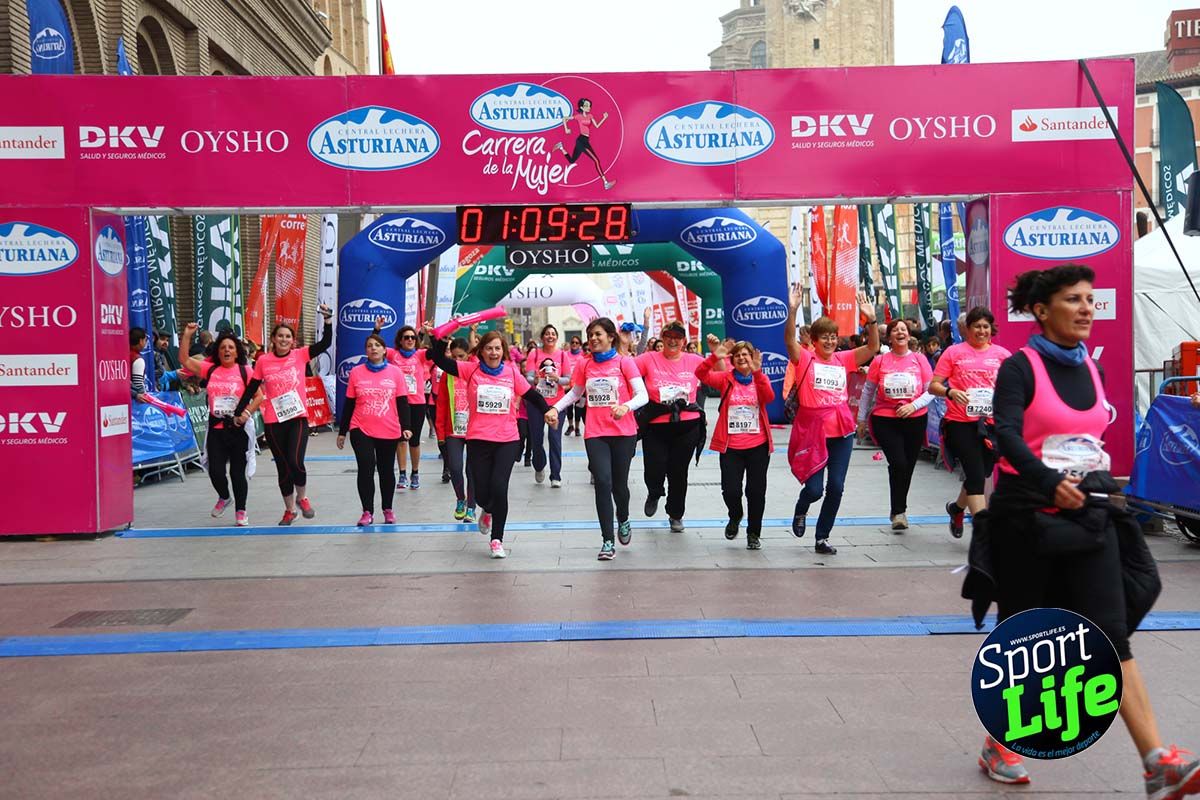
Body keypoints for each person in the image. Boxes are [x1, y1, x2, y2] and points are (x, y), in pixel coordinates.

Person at [975, 263, 1200, 796]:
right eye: (1073, 299)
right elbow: (1004, 434)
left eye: (1089, 299)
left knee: (1108, 631)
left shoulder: (1089, 366)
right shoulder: (1021, 367)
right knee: (1026, 636)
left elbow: (1088, 438)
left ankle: (1156, 761)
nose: (1085, 308)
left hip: (1089, 516)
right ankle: (1000, 743)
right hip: (1028, 517)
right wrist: (1048, 482)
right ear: (1040, 309)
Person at [429, 329, 552, 558]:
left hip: (507, 439)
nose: (493, 352)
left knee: (499, 487)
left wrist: (548, 410)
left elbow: (531, 395)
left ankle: (497, 540)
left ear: (502, 351)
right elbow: (439, 360)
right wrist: (440, 338)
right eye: (489, 348)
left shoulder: (511, 372)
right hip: (477, 438)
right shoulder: (470, 369)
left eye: (497, 348)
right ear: (482, 351)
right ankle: (486, 509)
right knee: (483, 492)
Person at [784, 286, 879, 555]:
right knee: (814, 490)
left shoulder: (844, 358)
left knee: (836, 487)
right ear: (814, 340)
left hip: (842, 432)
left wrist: (870, 319)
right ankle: (802, 508)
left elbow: (873, 346)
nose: (829, 342)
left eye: (833, 337)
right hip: (813, 432)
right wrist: (792, 310)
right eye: (824, 337)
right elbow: (790, 341)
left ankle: (822, 537)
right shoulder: (804, 358)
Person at [547, 317, 649, 560]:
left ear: (611, 337)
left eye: (598, 334)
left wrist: (626, 407)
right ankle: (607, 541)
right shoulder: (584, 365)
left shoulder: (625, 363)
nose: (593, 339)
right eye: (590, 334)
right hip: (595, 433)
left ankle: (623, 517)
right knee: (602, 482)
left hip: (624, 433)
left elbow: (642, 394)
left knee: (619, 486)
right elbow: (575, 392)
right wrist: (555, 409)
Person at [233, 305, 333, 525]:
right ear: (273, 339)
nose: (284, 340)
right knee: (283, 467)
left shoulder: (299, 355)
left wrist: (327, 320)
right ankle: (289, 510)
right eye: (280, 336)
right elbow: (252, 387)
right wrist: (239, 410)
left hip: (296, 418)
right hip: (273, 421)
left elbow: (325, 344)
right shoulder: (263, 361)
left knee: (296, 461)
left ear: (292, 340)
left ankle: (303, 497)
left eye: (288, 336)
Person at [929, 306, 1011, 539]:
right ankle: (985, 534)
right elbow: (933, 385)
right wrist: (950, 392)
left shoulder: (1003, 355)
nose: (982, 331)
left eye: (986, 327)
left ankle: (956, 509)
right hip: (960, 422)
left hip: (991, 424)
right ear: (968, 329)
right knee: (975, 477)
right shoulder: (954, 353)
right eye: (977, 327)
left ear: (991, 329)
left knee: (981, 473)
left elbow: (1012, 388)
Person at [180, 323, 262, 527]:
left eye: (231, 347)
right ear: (218, 351)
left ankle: (241, 511)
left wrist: (245, 413)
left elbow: (259, 397)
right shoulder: (211, 369)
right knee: (215, 470)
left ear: (237, 352)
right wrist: (188, 335)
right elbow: (184, 360)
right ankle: (224, 497)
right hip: (216, 429)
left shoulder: (246, 371)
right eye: (223, 347)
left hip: (238, 429)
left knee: (237, 472)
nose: (226, 350)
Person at [697, 335, 774, 549]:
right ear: (732, 359)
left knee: (756, 491)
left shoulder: (760, 378)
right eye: (737, 355)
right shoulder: (725, 378)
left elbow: (768, 397)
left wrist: (758, 372)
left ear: (752, 358)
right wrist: (714, 356)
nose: (741, 358)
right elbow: (700, 374)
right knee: (731, 490)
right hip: (730, 446)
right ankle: (736, 514)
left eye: (745, 355)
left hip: (758, 445)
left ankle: (753, 533)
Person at [857, 320, 935, 530]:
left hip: (915, 419)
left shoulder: (920, 360)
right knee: (899, 463)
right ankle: (899, 511)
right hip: (885, 419)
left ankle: (898, 511)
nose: (900, 332)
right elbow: (867, 392)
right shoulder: (880, 361)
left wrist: (913, 406)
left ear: (909, 335)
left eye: (904, 329)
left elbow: (931, 390)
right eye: (895, 330)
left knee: (907, 467)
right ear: (889, 337)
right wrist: (861, 419)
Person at [337, 334, 412, 526]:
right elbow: (350, 403)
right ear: (366, 351)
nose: (373, 348)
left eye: (377, 345)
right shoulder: (356, 372)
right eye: (369, 346)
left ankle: (387, 508)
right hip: (360, 427)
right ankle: (367, 511)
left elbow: (402, 402)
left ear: (384, 350)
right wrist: (342, 431)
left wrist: (406, 427)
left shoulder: (395, 372)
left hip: (388, 428)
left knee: (386, 470)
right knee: (366, 467)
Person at [636, 320, 704, 532]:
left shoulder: (694, 360)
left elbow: (719, 374)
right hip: (657, 423)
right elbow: (625, 370)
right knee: (654, 467)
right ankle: (654, 492)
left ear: (684, 341)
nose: (673, 340)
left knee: (678, 472)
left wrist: (719, 355)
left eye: (677, 337)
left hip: (687, 424)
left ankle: (675, 514)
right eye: (669, 336)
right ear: (662, 338)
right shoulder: (648, 359)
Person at [369, 321, 432, 490]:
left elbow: (436, 352)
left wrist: (429, 333)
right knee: (401, 439)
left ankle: (415, 472)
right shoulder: (392, 355)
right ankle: (402, 473)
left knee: (415, 441)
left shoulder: (420, 355)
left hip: (417, 402)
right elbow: (375, 343)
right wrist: (377, 329)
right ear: (400, 340)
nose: (410, 340)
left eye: (412, 337)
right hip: (398, 402)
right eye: (406, 337)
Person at [524, 324, 572, 487]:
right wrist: (536, 379)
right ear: (542, 337)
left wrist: (557, 378)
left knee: (554, 438)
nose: (550, 336)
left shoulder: (563, 355)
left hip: (557, 404)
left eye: (553, 334)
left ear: (556, 337)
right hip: (536, 403)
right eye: (547, 334)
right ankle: (539, 465)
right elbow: (528, 377)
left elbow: (568, 379)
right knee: (537, 440)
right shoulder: (534, 353)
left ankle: (556, 475)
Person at [435, 337, 476, 523]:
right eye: (454, 357)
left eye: (462, 356)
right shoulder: (446, 375)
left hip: (475, 429)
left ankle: (472, 507)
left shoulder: (476, 371)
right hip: (453, 430)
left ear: (468, 355)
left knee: (472, 470)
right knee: (455, 468)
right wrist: (440, 432)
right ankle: (461, 498)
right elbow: (441, 404)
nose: (458, 361)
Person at [553, 97, 616, 190]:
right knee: (596, 161)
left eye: (589, 106)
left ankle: (561, 147)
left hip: (585, 140)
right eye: (586, 106)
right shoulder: (578, 116)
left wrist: (604, 118)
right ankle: (605, 183)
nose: (588, 107)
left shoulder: (590, 116)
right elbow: (564, 118)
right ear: (581, 107)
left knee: (571, 161)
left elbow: (597, 126)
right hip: (581, 141)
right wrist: (566, 129)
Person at [565, 336, 586, 436]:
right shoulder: (565, 355)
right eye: (573, 342)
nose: (574, 344)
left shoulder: (582, 356)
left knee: (578, 408)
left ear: (580, 345)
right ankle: (570, 426)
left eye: (577, 343)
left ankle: (577, 428)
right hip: (568, 385)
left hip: (579, 385)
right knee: (568, 407)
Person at [129, 328, 149, 403]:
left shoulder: (123, 354)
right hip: (134, 402)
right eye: (145, 340)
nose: (145, 343)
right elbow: (138, 385)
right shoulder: (138, 359)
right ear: (140, 341)